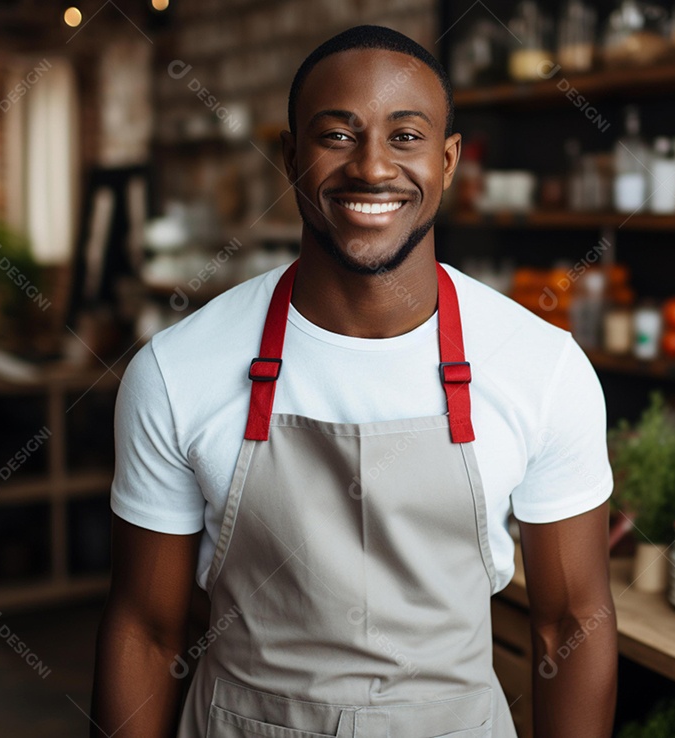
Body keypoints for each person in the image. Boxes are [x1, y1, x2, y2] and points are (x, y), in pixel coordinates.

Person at [92, 25, 616, 738]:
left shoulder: (542, 368)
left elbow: (571, 623)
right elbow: (145, 631)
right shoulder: (176, 371)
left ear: (450, 159)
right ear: (289, 157)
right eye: (337, 135)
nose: (372, 168)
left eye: (406, 137)